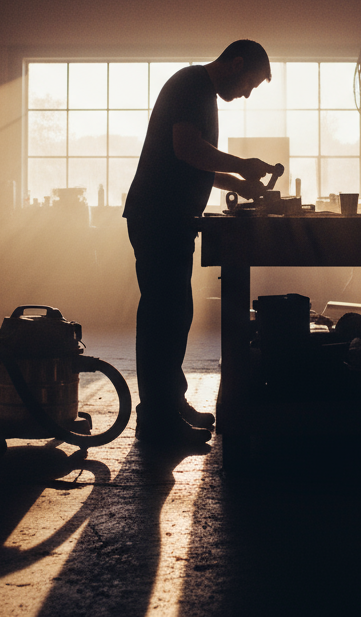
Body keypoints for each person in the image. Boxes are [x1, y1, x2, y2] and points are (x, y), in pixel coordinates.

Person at [123, 40, 275, 447]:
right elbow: (187, 149)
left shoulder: (200, 91)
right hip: (158, 218)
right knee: (163, 318)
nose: (246, 94)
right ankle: (157, 420)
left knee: (174, 314)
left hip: (168, 219)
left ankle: (171, 404)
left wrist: (240, 183)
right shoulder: (192, 86)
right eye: (249, 84)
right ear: (236, 64)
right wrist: (242, 164)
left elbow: (195, 162)